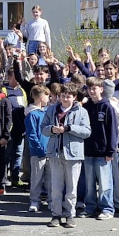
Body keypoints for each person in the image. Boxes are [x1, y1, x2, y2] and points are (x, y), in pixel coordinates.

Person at [41, 85, 90, 228]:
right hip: (55, 153)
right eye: (63, 96)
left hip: (73, 154)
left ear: (74, 97)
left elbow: (87, 131)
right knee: (56, 187)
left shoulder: (81, 111)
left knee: (71, 188)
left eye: (69, 96)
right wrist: (52, 129)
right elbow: (43, 128)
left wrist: (69, 128)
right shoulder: (52, 110)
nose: (65, 99)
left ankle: (70, 215)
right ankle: (56, 215)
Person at [82, 77, 119, 220]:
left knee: (105, 183)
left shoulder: (107, 107)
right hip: (88, 151)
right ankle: (90, 207)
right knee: (89, 183)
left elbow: (113, 131)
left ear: (101, 89)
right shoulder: (86, 107)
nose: (92, 91)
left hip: (103, 153)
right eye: (89, 89)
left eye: (94, 88)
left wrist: (110, 150)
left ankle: (107, 208)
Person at [25, 85, 51, 213]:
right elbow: (32, 135)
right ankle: (34, 201)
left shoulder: (46, 112)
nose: (49, 99)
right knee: (36, 178)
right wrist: (39, 149)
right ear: (41, 98)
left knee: (50, 179)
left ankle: (52, 201)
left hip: (49, 151)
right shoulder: (32, 114)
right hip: (38, 152)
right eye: (47, 96)